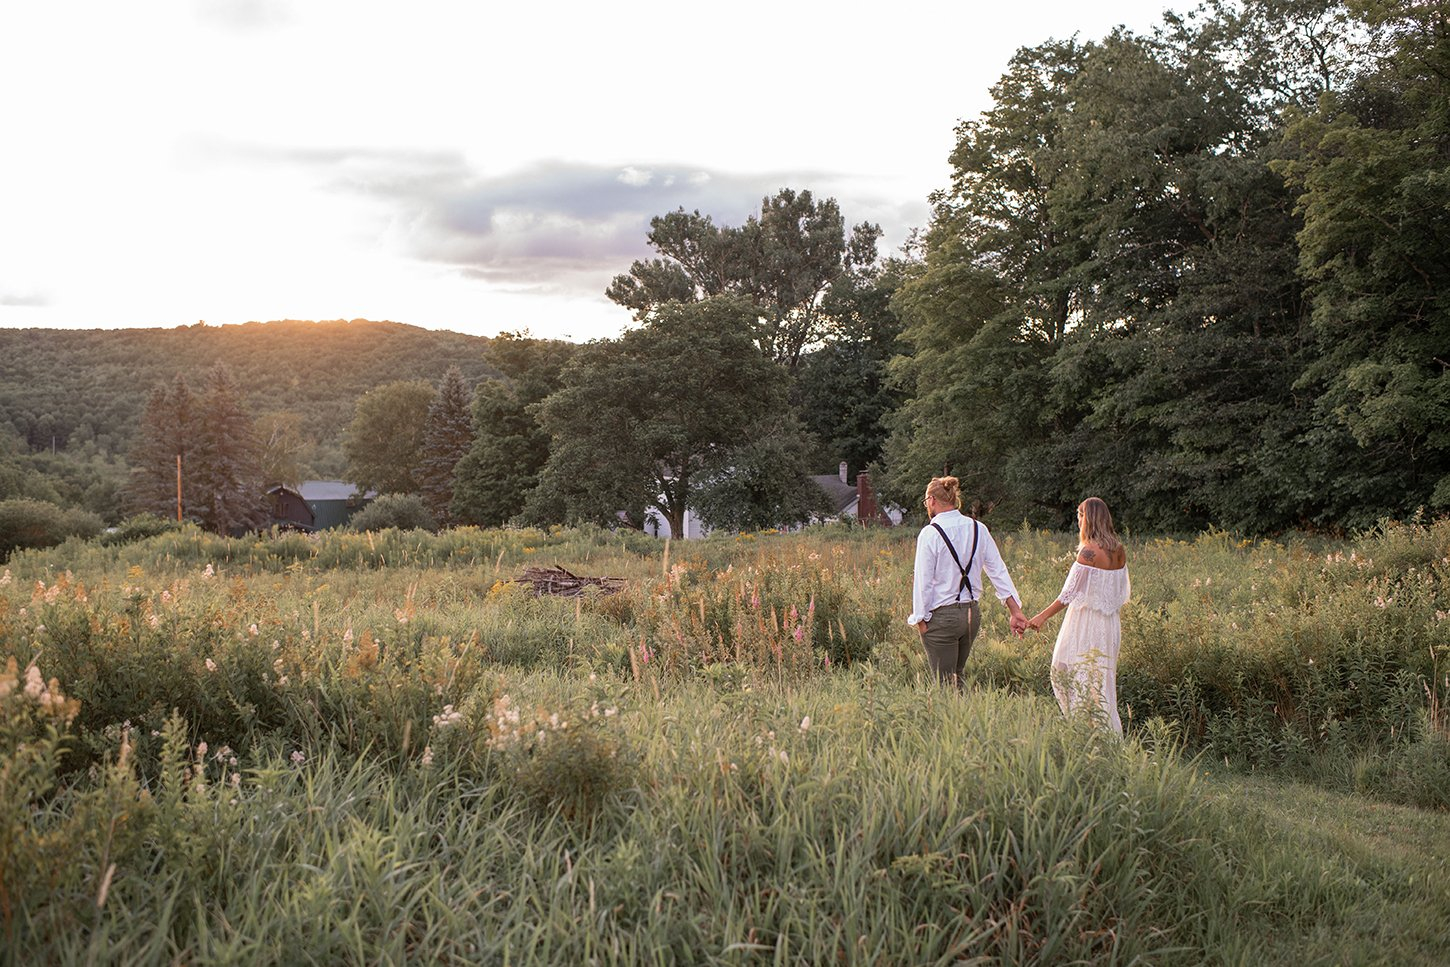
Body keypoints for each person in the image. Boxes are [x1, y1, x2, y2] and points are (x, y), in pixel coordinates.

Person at [908, 476, 1028, 688]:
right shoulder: (978, 528)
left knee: (943, 684)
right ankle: (964, 717)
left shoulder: (930, 533)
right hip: (972, 616)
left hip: (942, 616)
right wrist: (1015, 610)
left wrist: (920, 619)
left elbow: (923, 582)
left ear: (932, 500)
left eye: (926, 501)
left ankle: (950, 720)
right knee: (957, 676)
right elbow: (997, 571)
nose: (927, 505)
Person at [1026, 497, 1130, 733]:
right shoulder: (1119, 550)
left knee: (1066, 671)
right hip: (1110, 624)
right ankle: (1098, 732)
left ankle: (1083, 730)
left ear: (1088, 519)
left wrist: (1040, 617)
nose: (1078, 520)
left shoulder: (1089, 552)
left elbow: (1068, 594)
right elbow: (1119, 591)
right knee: (1100, 682)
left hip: (1087, 623)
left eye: (1080, 516)